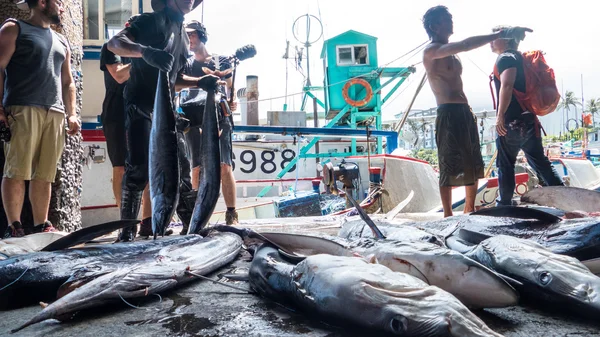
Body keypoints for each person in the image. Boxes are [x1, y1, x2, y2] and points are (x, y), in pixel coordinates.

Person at [107, 0, 219, 242]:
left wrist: (199, 82)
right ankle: (127, 229)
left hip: (167, 112)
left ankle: (191, 228)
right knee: (138, 169)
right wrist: (145, 52)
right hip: (140, 107)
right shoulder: (149, 21)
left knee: (181, 171)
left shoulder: (181, 35)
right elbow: (114, 44)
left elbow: (174, 79)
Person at [421, 5, 530, 217]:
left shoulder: (451, 54)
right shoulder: (431, 51)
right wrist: (501, 34)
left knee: (472, 161)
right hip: (448, 112)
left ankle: (469, 210)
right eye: (446, 19)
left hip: (464, 111)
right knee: (448, 162)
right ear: (435, 26)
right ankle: (447, 214)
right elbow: (465, 44)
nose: (451, 21)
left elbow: (461, 47)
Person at [0, 0, 80, 238]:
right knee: (16, 169)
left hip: (55, 112)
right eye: (59, 2)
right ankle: (14, 226)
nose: (63, 8)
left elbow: (68, 82)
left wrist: (72, 113)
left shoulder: (61, 40)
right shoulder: (14, 28)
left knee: (45, 173)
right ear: (42, 3)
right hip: (22, 107)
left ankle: (41, 224)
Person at [490, 25, 564, 206]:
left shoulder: (506, 58)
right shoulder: (519, 58)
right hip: (528, 120)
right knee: (540, 162)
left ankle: (505, 206)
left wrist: (500, 117)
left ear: (505, 40)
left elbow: (507, 85)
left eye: (493, 38)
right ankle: (564, 197)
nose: (490, 42)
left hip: (513, 122)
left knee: (505, 164)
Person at [180, 20, 239, 230]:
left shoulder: (220, 60)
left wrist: (233, 100)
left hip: (218, 116)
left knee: (224, 165)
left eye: (192, 35)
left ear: (201, 36)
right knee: (196, 167)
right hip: (193, 118)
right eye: (186, 36)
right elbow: (177, 86)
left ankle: (232, 213)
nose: (189, 39)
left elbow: (230, 90)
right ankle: (198, 214)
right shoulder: (185, 64)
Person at [100, 15, 152, 229]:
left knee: (148, 165)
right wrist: (145, 59)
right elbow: (119, 75)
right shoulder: (110, 47)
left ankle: (149, 220)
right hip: (116, 111)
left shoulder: (148, 50)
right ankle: (126, 222)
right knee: (120, 165)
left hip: (142, 109)